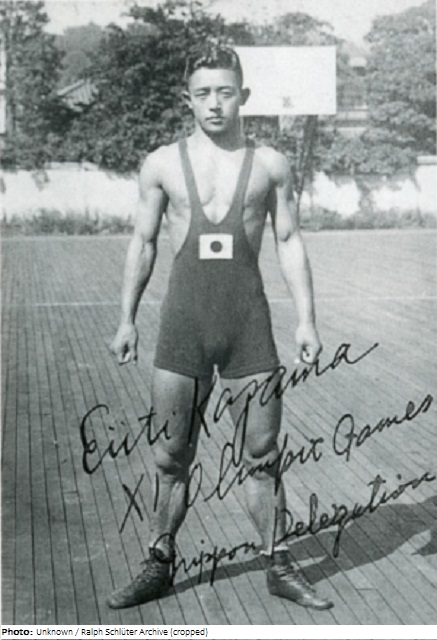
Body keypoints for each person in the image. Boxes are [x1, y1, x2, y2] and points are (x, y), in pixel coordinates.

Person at [108, 44, 333, 611]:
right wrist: (126, 319)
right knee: (169, 457)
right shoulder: (161, 164)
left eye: (225, 92)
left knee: (262, 455)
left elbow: (289, 240)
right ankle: (158, 563)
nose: (214, 103)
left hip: (247, 328)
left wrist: (307, 320)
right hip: (181, 328)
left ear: (243, 96)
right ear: (187, 99)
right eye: (203, 93)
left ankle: (278, 564)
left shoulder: (270, 164)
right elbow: (143, 242)